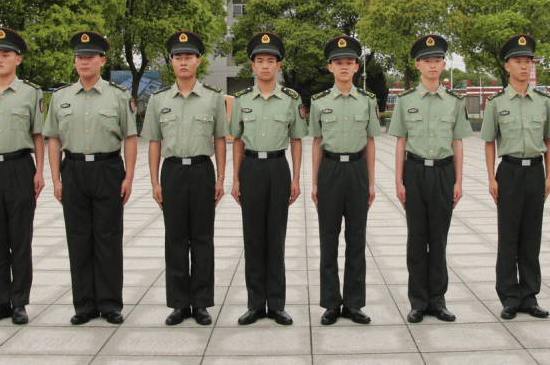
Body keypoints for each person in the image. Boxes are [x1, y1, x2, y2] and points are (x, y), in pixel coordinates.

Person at [45, 31, 137, 325]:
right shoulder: (60, 97)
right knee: (79, 238)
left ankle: (110, 304)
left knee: (108, 238)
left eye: (89, 57)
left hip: (108, 169)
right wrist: (56, 178)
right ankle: (84, 304)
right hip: (72, 169)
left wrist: (129, 177)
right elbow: (53, 138)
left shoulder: (118, 96)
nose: (84, 62)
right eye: (79, 57)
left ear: (102, 60)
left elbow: (131, 138)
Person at [143, 31, 228, 326]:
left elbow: (220, 138)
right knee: (176, 239)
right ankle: (180, 304)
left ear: (198, 61)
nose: (183, 62)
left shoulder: (213, 99)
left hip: (203, 170)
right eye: (178, 57)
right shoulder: (158, 100)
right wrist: (155, 182)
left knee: (203, 238)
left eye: (188, 57)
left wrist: (221, 178)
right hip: (173, 172)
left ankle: (201, 302)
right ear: (171, 61)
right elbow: (154, 142)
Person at [388, 34, 470, 324]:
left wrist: (459, 182)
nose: (432, 65)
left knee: (439, 239)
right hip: (415, 171)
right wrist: (398, 182)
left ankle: (438, 300)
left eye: (437, 60)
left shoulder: (454, 102)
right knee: (416, 238)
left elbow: (458, 143)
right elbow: (400, 142)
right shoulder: (405, 100)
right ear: (417, 65)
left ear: (444, 64)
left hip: (444, 173)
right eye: (427, 60)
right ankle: (418, 302)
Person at [230, 32, 306, 326]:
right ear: (252, 66)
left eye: (270, 61)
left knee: (276, 238)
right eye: (259, 60)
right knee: (253, 239)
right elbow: (236, 140)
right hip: (250, 168)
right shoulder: (241, 100)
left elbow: (297, 139)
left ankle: (276, 304)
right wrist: (235, 179)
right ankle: (254, 304)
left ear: (278, 66)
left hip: (278, 168)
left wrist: (296, 178)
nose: (264, 66)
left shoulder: (290, 99)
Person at [0, 27, 44, 326]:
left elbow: (39, 135)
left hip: (19, 167)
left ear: (18, 59)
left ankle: (19, 302)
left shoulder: (30, 93)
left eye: (5, 55)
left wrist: (41, 171)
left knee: (20, 238)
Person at [481, 33, 550, 320]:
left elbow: (549, 140)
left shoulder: (543, 101)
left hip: (536, 171)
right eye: (518, 61)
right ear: (507, 66)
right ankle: (509, 297)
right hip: (509, 171)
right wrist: (491, 178)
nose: (524, 66)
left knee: (531, 237)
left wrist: (549, 176)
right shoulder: (497, 103)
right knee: (508, 236)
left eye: (528, 61)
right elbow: (489, 142)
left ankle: (530, 295)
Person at [309, 35, 380, 325]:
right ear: (330, 67)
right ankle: (330, 303)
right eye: (338, 63)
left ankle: (353, 303)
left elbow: (371, 142)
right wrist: (314, 183)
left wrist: (372, 182)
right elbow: (316, 142)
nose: (343, 67)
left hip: (357, 170)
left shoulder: (367, 100)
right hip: (330, 170)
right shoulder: (319, 102)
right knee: (328, 238)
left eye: (349, 63)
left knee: (356, 239)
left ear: (356, 68)